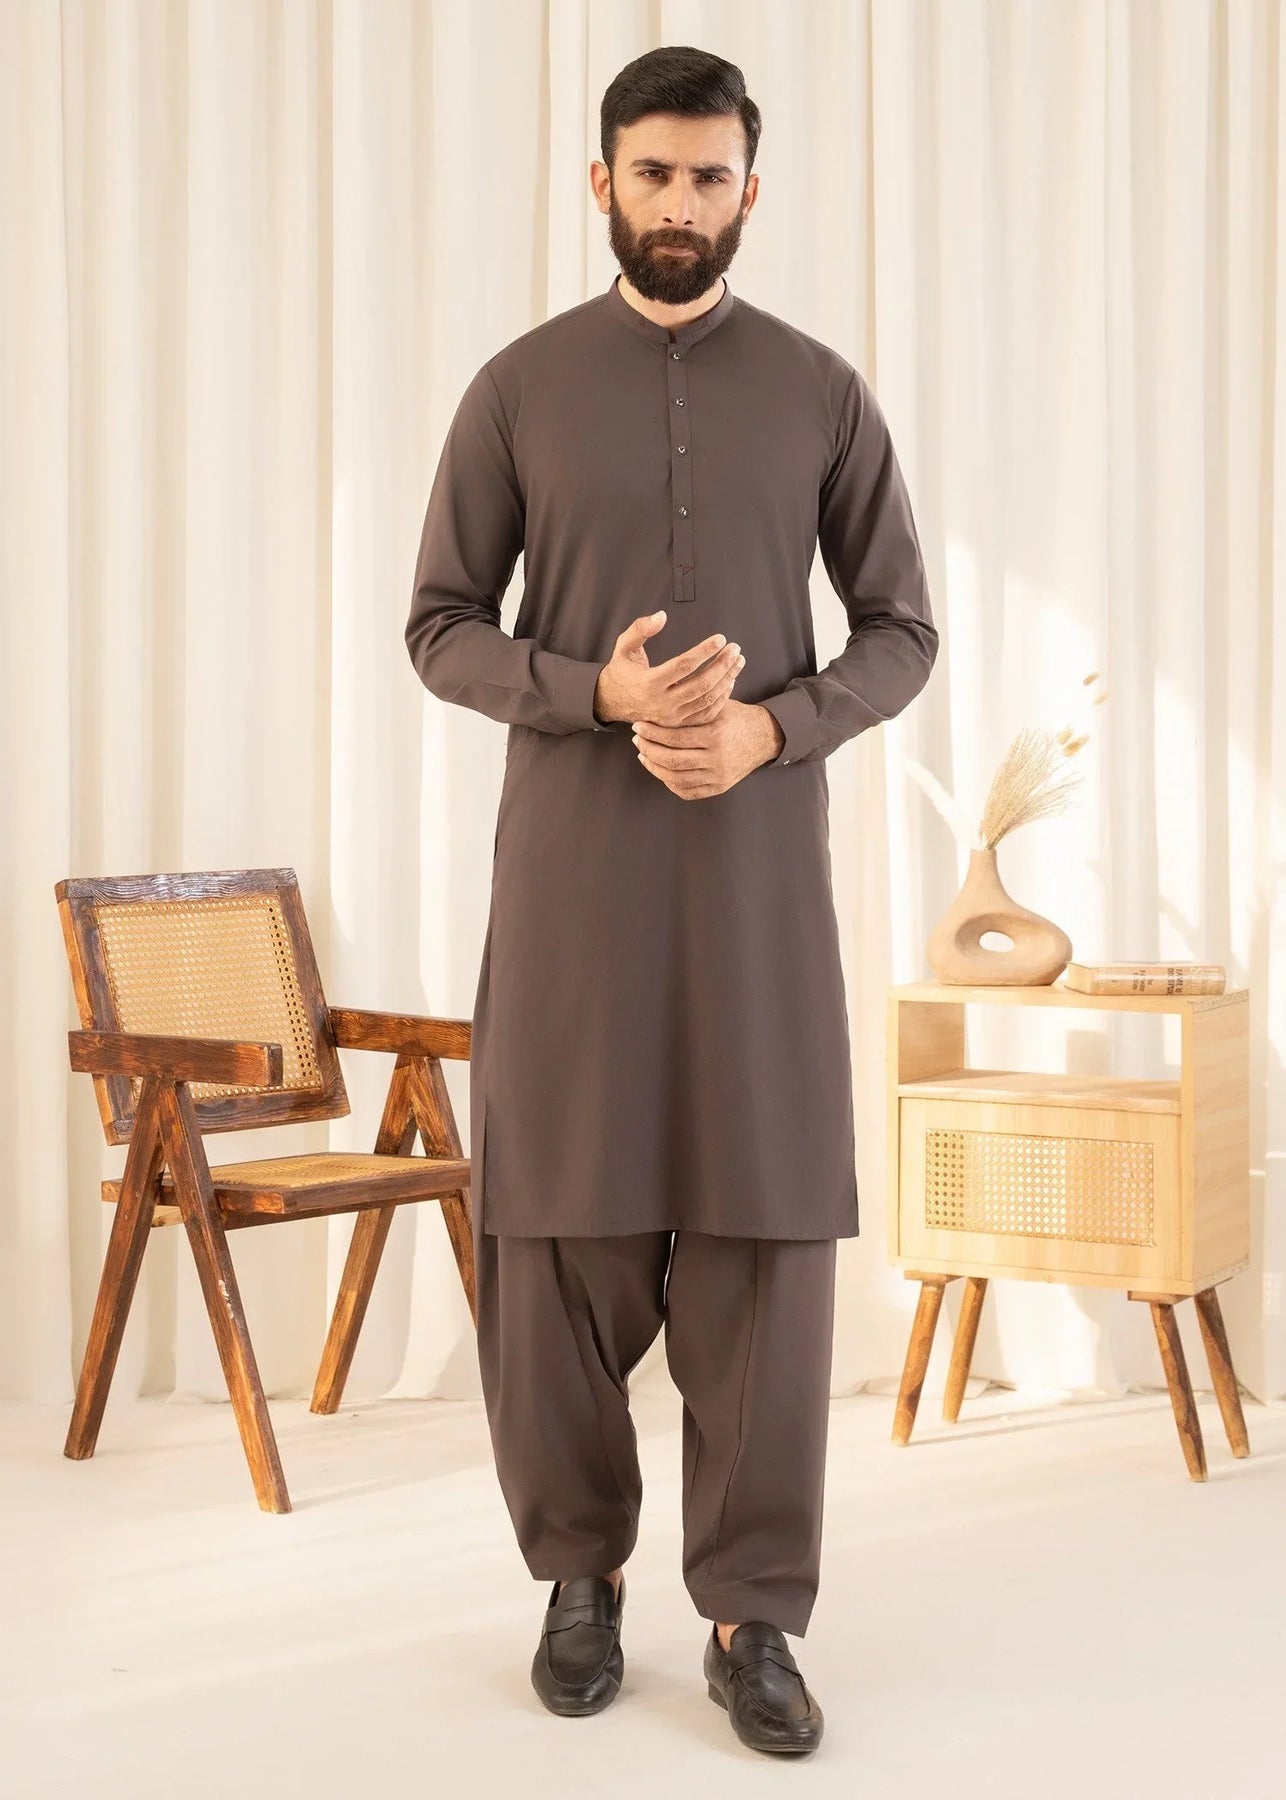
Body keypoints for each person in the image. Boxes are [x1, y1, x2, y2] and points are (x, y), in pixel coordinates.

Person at [405, 44, 938, 1758]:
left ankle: (751, 1616)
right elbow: (437, 625)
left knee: (763, 1226)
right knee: (556, 1221)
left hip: (756, 883)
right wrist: (596, 693)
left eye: (710, 177)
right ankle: (580, 1580)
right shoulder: (517, 389)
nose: (681, 204)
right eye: (653, 173)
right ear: (601, 184)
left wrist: (775, 726)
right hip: (574, 879)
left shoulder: (821, 391)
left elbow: (901, 629)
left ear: (748, 193)